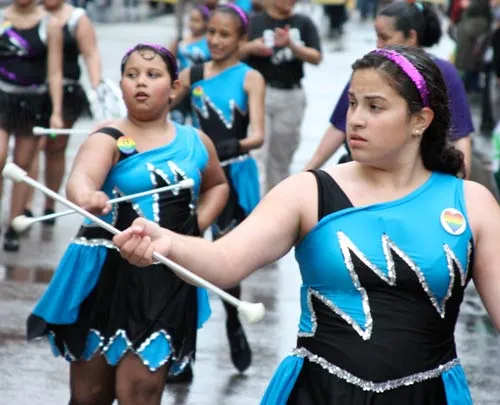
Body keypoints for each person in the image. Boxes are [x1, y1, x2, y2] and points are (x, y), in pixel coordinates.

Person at [114, 45, 500, 404]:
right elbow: (224, 260)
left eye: (375, 107)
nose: (355, 119)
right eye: (352, 103)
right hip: (319, 392)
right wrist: (168, 244)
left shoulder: (471, 203)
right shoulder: (309, 191)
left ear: (420, 120)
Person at [26, 43, 229, 405]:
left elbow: (217, 185)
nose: (141, 82)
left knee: (140, 391)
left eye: (153, 75)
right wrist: (87, 195)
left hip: (165, 273)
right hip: (103, 272)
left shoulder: (196, 142)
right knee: (91, 395)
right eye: (131, 75)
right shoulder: (110, 137)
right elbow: (81, 178)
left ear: (174, 88)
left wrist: (195, 224)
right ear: (120, 85)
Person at [175, 3, 266, 374]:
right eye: (211, 31)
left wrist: (233, 146)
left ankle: (232, 321)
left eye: (224, 34)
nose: (214, 40)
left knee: (226, 259)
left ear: (242, 39)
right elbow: (157, 104)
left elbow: (258, 135)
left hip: (233, 177)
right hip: (196, 176)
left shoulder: (251, 78)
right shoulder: (192, 73)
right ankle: (183, 351)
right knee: (183, 258)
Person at [304, 2, 473, 178]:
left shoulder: (443, 73)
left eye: (384, 37)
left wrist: (461, 184)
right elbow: (338, 127)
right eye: (353, 103)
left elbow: (461, 135)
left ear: (411, 37)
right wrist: (308, 173)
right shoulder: (372, 70)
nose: (356, 120)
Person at [24, 0, 102, 225]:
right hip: (31, 92)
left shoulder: (77, 18)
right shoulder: (29, 14)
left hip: (66, 92)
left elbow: (90, 53)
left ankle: (49, 202)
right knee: (30, 147)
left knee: (55, 148)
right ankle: (26, 204)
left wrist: (97, 87)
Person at [0, 0, 63, 251]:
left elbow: (55, 71)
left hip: (33, 101)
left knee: (22, 164)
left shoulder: (50, 25)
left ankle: (13, 226)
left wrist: (57, 111)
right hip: (1, 96)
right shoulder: (2, 19)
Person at [240, 0, 322, 192]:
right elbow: (233, 51)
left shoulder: (303, 22)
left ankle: (277, 201)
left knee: (281, 158)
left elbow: (316, 57)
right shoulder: (254, 22)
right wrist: (252, 47)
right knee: (256, 155)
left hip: (291, 94)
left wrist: (292, 46)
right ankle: (255, 203)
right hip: (259, 94)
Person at [169, 4, 211, 125]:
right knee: (177, 121)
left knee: (198, 122)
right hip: (181, 87)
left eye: (197, 20)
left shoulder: (209, 43)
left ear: (206, 22)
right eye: (191, 19)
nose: (192, 24)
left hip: (200, 88)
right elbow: (168, 61)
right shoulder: (181, 41)